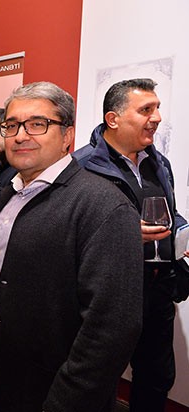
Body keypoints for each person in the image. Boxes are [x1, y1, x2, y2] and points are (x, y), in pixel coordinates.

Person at [0, 81, 144, 412]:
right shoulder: (10, 193)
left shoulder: (104, 206)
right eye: (11, 125)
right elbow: (6, 266)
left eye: (37, 124)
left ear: (67, 135)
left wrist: (66, 401)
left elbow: (112, 328)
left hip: (58, 392)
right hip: (4, 378)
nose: (21, 135)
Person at [73, 78, 189, 412]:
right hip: (108, 292)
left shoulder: (159, 162)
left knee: (157, 377)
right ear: (113, 119)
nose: (157, 117)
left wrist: (183, 230)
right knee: (97, 379)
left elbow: (169, 213)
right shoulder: (82, 167)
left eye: (157, 108)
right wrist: (121, 233)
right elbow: (69, 233)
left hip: (158, 288)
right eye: (146, 109)